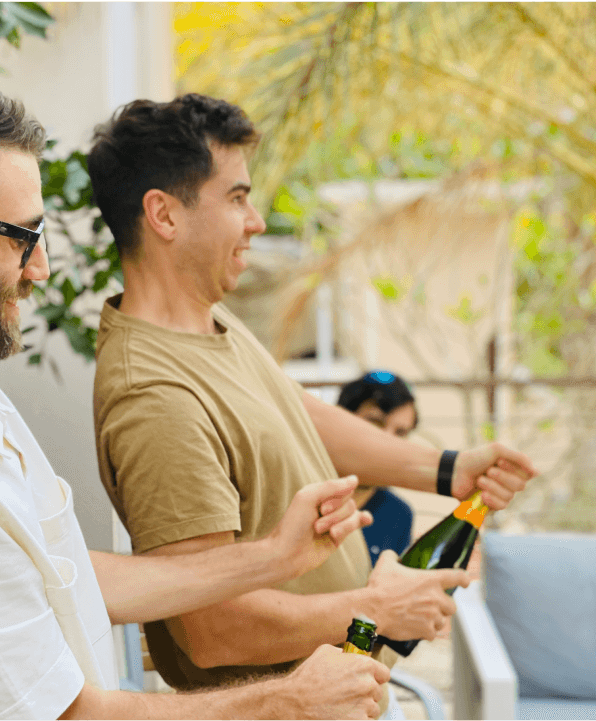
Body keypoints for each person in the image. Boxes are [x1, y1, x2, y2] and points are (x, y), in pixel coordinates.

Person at [0, 72, 391, 721]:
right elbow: (67, 716)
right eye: (21, 237)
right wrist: (288, 699)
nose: (39, 268)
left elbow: (60, 572)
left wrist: (270, 558)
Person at [87, 94, 539, 697]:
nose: (256, 222)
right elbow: (214, 630)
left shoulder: (207, 320)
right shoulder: (155, 396)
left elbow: (293, 411)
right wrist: (374, 609)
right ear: (164, 215)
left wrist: (446, 470)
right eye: (237, 198)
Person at [337, 370, 419, 564]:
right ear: (338, 419)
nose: (387, 442)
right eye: (375, 423)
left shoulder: (398, 515)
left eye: (400, 432)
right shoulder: (295, 492)